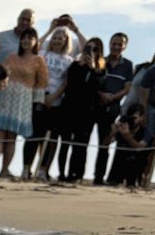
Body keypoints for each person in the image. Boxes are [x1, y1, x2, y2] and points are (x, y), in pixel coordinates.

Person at [0, 28, 47, 177]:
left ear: (35, 41)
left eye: (30, 38)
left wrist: (38, 104)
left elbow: (41, 83)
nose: (26, 40)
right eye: (24, 38)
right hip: (5, 97)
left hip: (23, 101)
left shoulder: (38, 60)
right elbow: (1, 76)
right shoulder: (11, 57)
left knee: (11, 138)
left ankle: (4, 170)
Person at [23, 25, 74, 180]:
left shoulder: (69, 60)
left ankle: (42, 170)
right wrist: (50, 30)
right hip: (38, 97)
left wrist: (53, 97)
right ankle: (26, 168)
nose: (57, 41)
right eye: (55, 38)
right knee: (32, 135)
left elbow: (66, 82)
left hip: (55, 102)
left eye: (61, 38)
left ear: (66, 41)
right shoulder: (43, 53)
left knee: (48, 137)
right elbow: (35, 47)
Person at [55, 38, 106, 182]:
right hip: (69, 108)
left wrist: (92, 68)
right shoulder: (75, 65)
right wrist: (80, 66)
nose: (91, 52)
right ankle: (61, 173)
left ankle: (75, 173)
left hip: (87, 111)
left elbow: (97, 87)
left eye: (95, 49)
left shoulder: (100, 69)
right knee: (64, 143)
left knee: (80, 144)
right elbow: (70, 84)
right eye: (88, 49)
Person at [93, 33, 134, 184]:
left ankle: (98, 177)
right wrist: (101, 94)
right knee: (84, 141)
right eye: (114, 43)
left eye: (120, 44)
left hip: (112, 108)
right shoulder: (101, 61)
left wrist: (113, 97)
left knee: (104, 143)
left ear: (124, 46)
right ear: (109, 44)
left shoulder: (128, 65)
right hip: (95, 105)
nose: (116, 47)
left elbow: (127, 88)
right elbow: (93, 80)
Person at [105, 103, 148, 186]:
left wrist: (127, 136)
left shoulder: (144, 131)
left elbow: (139, 148)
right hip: (118, 165)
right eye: (130, 117)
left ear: (142, 117)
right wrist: (112, 132)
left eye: (135, 118)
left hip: (135, 166)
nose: (132, 120)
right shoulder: (122, 127)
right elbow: (106, 144)